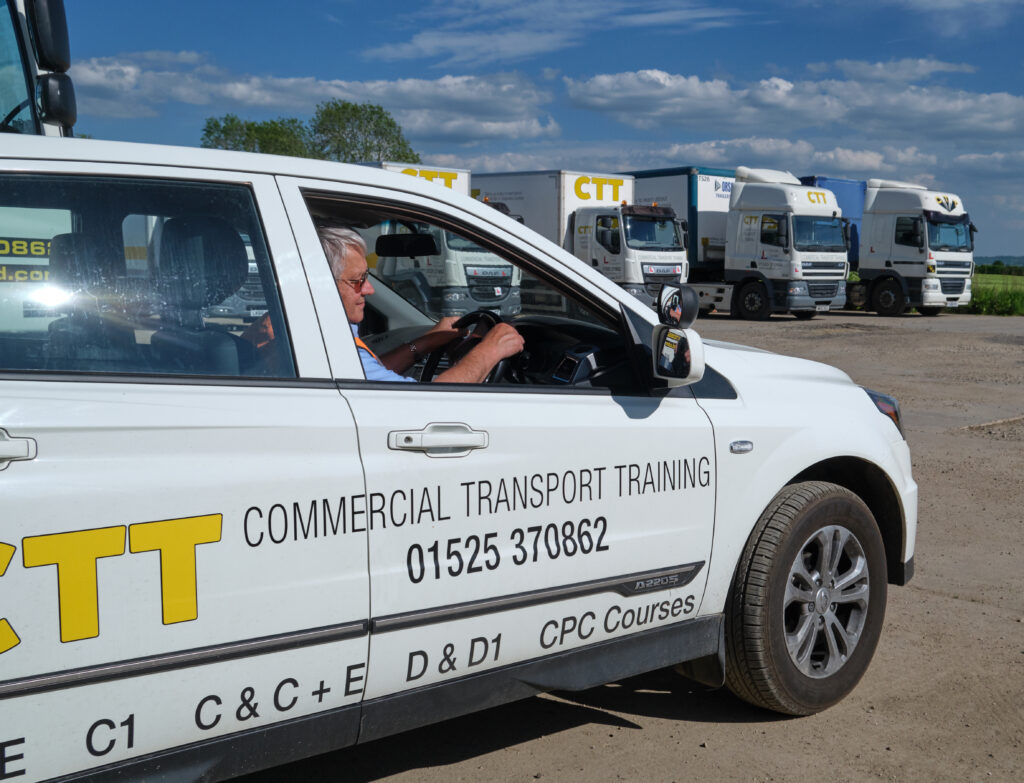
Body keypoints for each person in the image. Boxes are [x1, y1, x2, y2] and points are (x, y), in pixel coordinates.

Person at [318, 225, 524, 383]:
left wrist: (428, 342)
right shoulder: (327, 346)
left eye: (367, 277)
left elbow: (372, 375)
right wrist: (489, 351)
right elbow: (424, 406)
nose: (369, 290)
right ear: (321, 284)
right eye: (357, 280)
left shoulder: (325, 336)